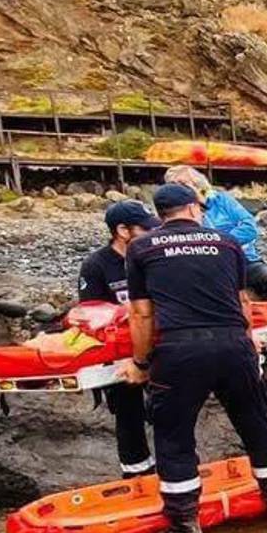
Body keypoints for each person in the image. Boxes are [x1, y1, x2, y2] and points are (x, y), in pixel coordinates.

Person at [120, 183, 267, 533]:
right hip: (233, 344)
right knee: (255, 423)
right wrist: (250, 341)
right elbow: (241, 301)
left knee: (175, 435)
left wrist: (140, 363)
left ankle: (185, 525)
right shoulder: (226, 243)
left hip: (179, 350)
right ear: (193, 209)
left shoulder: (141, 248)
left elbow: (141, 313)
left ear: (162, 215)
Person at [163, 164, 267, 371]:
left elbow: (250, 227)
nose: (181, 190)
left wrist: (220, 242)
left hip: (243, 260)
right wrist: (226, 239)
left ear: (198, 184)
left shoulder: (221, 200)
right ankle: (240, 347)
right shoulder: (178, 213)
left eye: (184, 184)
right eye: (175, 186)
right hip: (209, 267)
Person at [78, 200, 162, 478]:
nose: (152, 233)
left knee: (168, 406)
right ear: (122, 231)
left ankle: (177, 466)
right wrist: (126, 355)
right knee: (128, 410)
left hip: (156, 344)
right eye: (145, 228)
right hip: (119, 351)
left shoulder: (153, 256)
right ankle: (136, 472)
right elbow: (91, 314)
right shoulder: (96, 266)